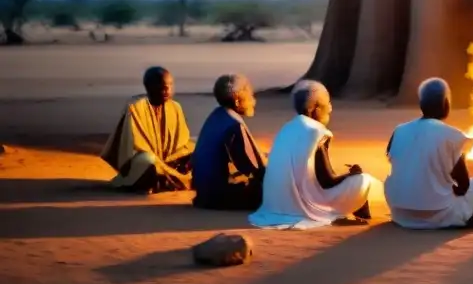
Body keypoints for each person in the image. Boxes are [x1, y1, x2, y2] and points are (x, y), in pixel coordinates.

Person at [249, 80, 376, 229]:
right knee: (363, 180)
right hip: (303, 205)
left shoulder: (286, 128)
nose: (330, 108)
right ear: (315, 108)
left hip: (276, 204)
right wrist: (352, 174)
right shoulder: (317, 132)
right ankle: (359, 213)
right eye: (327, 104)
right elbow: (326, 180)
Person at [384, 77, 473, 229]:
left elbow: (395, 160)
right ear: (445, 104)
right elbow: (464, 185)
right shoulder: (452, 135)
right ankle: (469, 217)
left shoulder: (399, 130)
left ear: (421, 104)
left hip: (400, 212)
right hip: (437, 214)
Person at [100, 66, 193, 193]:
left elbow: (181, 142)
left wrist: (179, 158)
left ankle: (165, 178)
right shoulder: (135, 107)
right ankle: (160, 180)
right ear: (148, 87)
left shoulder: (175, 107)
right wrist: (157, 161)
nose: (167, 89)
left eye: (170, 85)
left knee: (199, 150)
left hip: (169, 160)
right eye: (162, 86)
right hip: (147, 161)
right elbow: (128, 148)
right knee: (147, 161)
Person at [191, 74, 266, 211]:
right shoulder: (234, 124)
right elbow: (252, 167)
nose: (253, 101)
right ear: (237, 100)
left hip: (203, 194)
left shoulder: (216, 115)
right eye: (250, 96)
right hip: (217, 196)